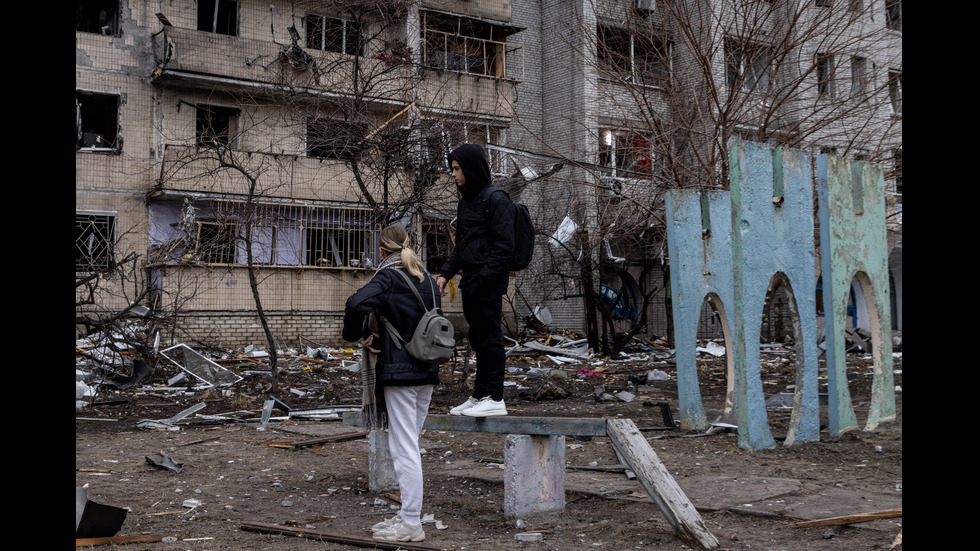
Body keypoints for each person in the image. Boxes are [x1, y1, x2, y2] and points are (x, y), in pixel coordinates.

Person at [343, 225, 440, 543]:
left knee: (404, 449)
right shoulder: (426, 277)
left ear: (382, 251)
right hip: (427, 372)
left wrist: (358, 333)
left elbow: (355, 303)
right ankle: (406, 516)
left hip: (400, 374)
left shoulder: (388, 276)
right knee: (410, 445)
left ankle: (411, 523)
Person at [436, 143, 516, 418]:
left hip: (487, 281)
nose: (454, 175)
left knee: (490, 338)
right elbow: (463, 246)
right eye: (452, 169)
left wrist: (483, 278)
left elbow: (504, 246)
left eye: (457, 169)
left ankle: (494, 397)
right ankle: (480, 395)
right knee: (479, 339)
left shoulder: (497, 199)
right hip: (470, 280)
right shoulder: (468, 201)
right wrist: (445, 274)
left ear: (470, 168)